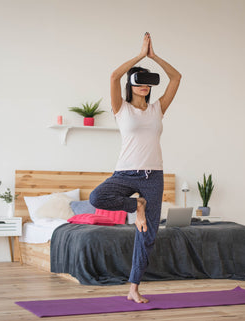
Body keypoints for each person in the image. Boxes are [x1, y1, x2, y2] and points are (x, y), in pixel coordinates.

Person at [89, 32, 181, 303]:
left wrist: (154, 57)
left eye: (148, 82)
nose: (144, 86)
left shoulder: (158, 109)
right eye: (139, 80)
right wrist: (140, 55)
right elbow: (113, 77)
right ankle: (135, 205)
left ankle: (133, 289)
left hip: (153, 176)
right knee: (97, 197)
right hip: (125, 174)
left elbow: (176, 78)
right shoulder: (121, 109)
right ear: (132, 83)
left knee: (147, 235)